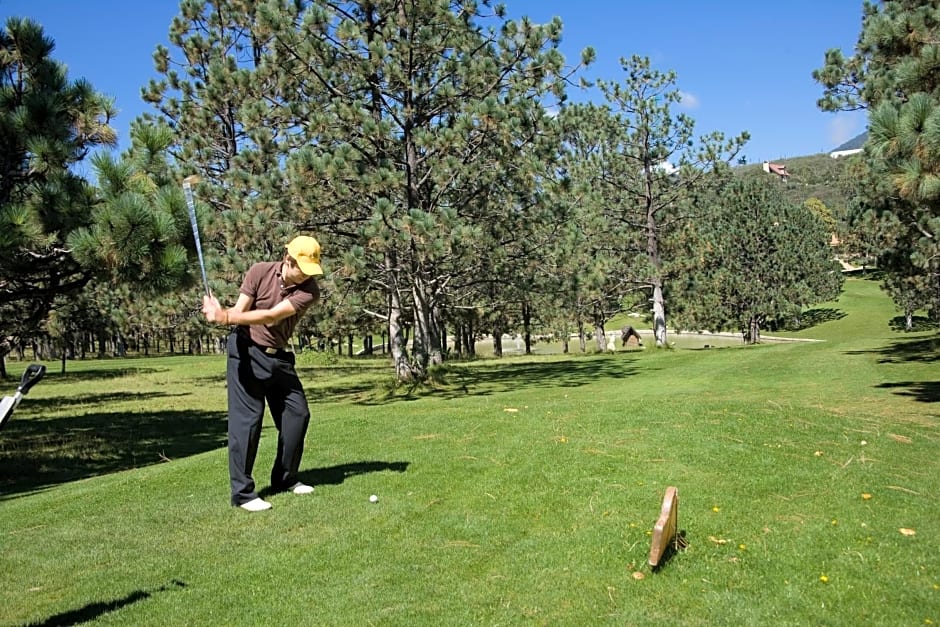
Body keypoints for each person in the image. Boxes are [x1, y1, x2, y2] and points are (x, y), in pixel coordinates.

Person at [202, 235, 324, 512]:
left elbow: (272, 316)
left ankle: (285, 478)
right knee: (248, 422)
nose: (307, 275)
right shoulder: (259, 271)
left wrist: (227, 317)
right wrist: (221, 312)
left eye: (311, 270)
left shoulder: (309, 291)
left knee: (298, 414)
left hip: (278, 358)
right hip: (246, 352)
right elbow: (240, 311)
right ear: (288, 259)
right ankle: (243, 494)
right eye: (302, 269)